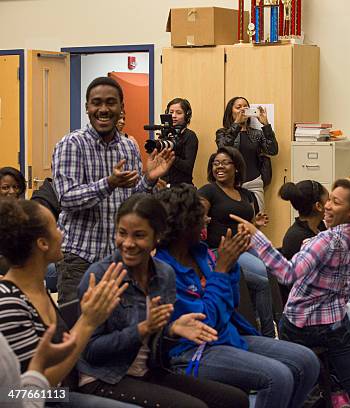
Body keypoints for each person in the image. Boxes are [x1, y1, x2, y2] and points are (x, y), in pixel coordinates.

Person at [232, 179, 350, 408]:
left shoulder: (326, 240)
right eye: (329, 199)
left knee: (295, 385)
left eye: (335, 202)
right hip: (337, 326)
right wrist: (334, 287)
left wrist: (256, 236)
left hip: (302, 326)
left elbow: (288, 274)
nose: (327, 206)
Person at [154, 185, 319, 408]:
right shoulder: (163, 270)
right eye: (201, 216)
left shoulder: (202, 254)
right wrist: (222, 270)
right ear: (184, 224)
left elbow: (231, 304)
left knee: (307, 361)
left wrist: (229, 266)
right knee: (277, 376)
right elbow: (207, 324)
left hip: (227, 336)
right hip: (191, 352)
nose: (208, 220)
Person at [77, 193, 249, 408]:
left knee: (236, 400)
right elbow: (91, 352)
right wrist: (142, 329)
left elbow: (156, 342)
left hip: (148, 370)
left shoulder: (164, 274)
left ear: (157, 236)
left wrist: (171, 329)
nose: (128, 243)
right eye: (122, 233)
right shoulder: (101, 275)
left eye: (139, 235)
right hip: (105, 376)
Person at [0, 198, 135, 408]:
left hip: (59, 392)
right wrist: (88, 323)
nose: (62, 233)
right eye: (56, 227)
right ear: (42, 243)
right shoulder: (10, 303)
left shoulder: (37, 287)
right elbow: (21, 393)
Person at [52, 76, 175, 304]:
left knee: (117, 329)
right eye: (96, 103)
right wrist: (108, 183)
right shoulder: (71, 144)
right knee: (80, 330)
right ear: (87, 107)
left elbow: (132, 202)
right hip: (79, 258)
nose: (103, 109)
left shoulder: (129, 146)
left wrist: (148, 179)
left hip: (118, 258)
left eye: (111, 102)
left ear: (121, 107)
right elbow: (67, 198)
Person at [198, 147, 276, 337]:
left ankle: (277, 323)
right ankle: (267, 335)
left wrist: (254, 224)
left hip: (244, 247)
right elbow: (198, 217)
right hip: (221, 252)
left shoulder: (246, 194)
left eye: (225, 163)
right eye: (216, 163)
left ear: (237, 167)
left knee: (274, 268)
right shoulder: (209, 191)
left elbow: (244, 223)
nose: (219, 167)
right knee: (262, 278)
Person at [216, 96, 278, 211]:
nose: (243, 109)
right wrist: (236, 124)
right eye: (238, 107)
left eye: (245, 107)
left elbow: (272, 151)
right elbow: (223, 148)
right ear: (231, 112)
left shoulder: (257, 133)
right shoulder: (222, 133)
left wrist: (266, 125)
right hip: (231, 184)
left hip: (254, 183)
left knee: (257, 219)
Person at [279, 180, 328, 305]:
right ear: (319, 206)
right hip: (312, 303)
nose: (331, 205)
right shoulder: (296, 237)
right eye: (329, 201)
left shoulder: (320, 226)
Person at [161, 98, 199, 186]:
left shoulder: (190, 136)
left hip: (182, 188)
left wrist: (169, 156)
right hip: (163, 186)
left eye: (178, 113)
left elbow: (188, 167)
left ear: (187, 115)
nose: (174, 116)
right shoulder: (164, 135)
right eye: (171, 112)